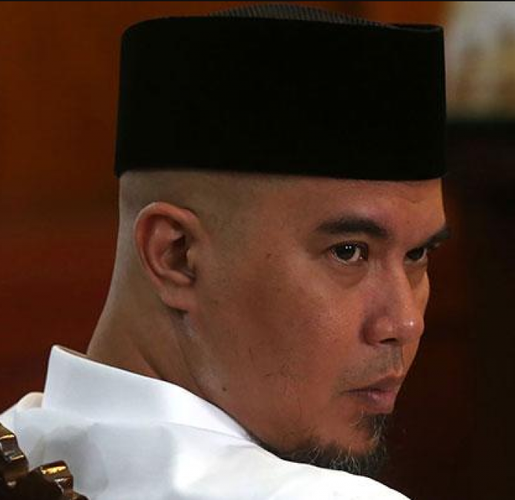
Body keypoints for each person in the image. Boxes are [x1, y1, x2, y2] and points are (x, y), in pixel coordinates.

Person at [0, 3, 448, 499]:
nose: (405, 323)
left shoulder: (18, 444)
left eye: (417, 255)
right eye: (348, 252)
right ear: (176, 255)